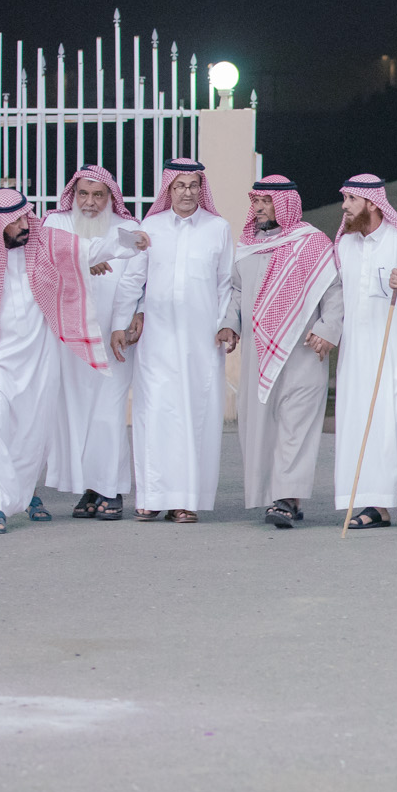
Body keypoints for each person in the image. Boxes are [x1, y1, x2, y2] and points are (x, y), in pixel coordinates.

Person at [0, 188, 136, 534]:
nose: (25, 224)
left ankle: (25, 494)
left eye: (26, 216)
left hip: (39, 362)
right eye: (16, 220)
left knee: (32, 435)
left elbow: (89, 249)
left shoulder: (45, 244)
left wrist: (130, 241)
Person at [111, 157, 233, 523]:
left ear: (201, 189)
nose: (187, 192)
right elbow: (134, 280)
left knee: (195, 416)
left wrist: (226, 325)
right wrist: (120, 323)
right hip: (158, 339)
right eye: (179, 186)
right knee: (154, 413)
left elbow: (225, 283)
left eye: (193, 185)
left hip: (201, 342)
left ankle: (186, 500)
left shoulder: (218, 228)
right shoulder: (151, 227)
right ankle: (152, 497)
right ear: (169, 188)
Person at [220, 176, 341, 529]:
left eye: (266, 202)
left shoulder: (312, 243)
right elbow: (237, 292)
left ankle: (287, 498)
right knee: (260, 426)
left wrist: (327, 329)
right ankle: (272, 494)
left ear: (285, 205)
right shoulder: (247, 246)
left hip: (303, 351)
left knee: (296, 424)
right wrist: (230, 324)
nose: (258, 208)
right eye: (255, 201)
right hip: (257, 354)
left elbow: (334, 291)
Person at [45, 164, 146, 520]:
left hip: (112, 337)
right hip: (68, 338)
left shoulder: (127, 229)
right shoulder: (54, 224)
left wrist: (126, 320)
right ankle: (89, 487)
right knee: (76, 414)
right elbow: (42, 268)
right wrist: (81, 265)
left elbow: (136, 280)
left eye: (98, 195)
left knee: (109, 411)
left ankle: (111, 489)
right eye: (83, 194)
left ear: (110, 198)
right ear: (73, 195)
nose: (90, 202)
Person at [331, 174, 397, 530]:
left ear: (372, 203)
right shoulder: (344, 246)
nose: (344, 207)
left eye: (351, 200)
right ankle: (374, 503)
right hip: (356, 351)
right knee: (361, 422)